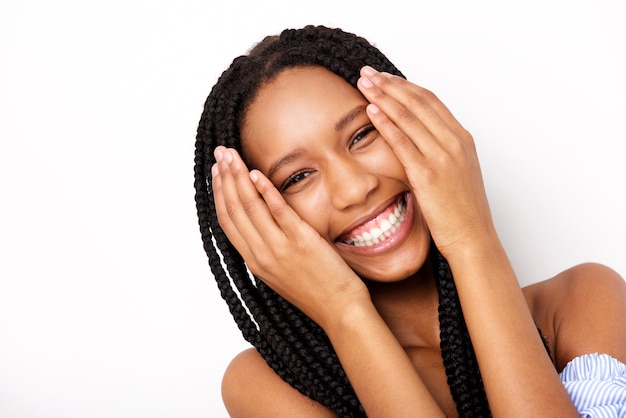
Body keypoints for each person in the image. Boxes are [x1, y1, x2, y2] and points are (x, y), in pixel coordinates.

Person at [194, 25, 626, 417]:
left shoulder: (579, 303)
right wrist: (346, 314)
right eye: (298, 177)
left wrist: (471, 238)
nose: (354, 189)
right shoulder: (270, 386)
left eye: (362, 134)